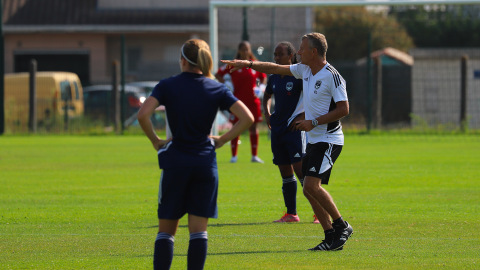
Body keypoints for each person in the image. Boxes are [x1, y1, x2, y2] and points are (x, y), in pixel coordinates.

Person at [221, 32, 353, 251]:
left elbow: (344, 109)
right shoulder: (304, 70)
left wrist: (314, 121)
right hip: (314, 139)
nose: (298, 53)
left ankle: (341, 226)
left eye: (301, 49)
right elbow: (273, 69)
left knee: (310, 185)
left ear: (314, 52)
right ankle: (330, 235)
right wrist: (247, 63)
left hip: (329, 139)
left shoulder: (332, 75)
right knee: (308, 189)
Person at [137, 39, 254, 270]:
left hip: (175, 164)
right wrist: (221, 140)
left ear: (183, 60)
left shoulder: (168, 85)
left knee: (166, 233)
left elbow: (143, 115)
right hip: (205, 164)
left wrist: (155, 141)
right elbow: (248, 118)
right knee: (199, 232)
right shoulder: (216, 88)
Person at [263, 41, 321, 224]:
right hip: (277, 129)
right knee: (285, 173)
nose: (277, 58)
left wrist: (303, 116)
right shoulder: (273, 77)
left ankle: (319, 213)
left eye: (281, 54)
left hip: (294, 130)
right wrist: (267, 114)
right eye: (275, 54)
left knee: (301, 173)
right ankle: (291, 214)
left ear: (291, 56)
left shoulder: (299, 75)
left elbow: (314, 97)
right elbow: (266, 96)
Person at [215, 41, 267, 163]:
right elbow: (218, 74)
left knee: (253, 128)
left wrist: (261, 87)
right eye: (243, 49)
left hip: (253, 101)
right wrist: (226, 83)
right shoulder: (234, 64)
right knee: (235, 128)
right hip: (237, 102)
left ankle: (254, 156)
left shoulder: (255, 64)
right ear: (238, 51)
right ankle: (234, 156)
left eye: (247, 49)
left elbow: (263, 77)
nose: (245, 52)